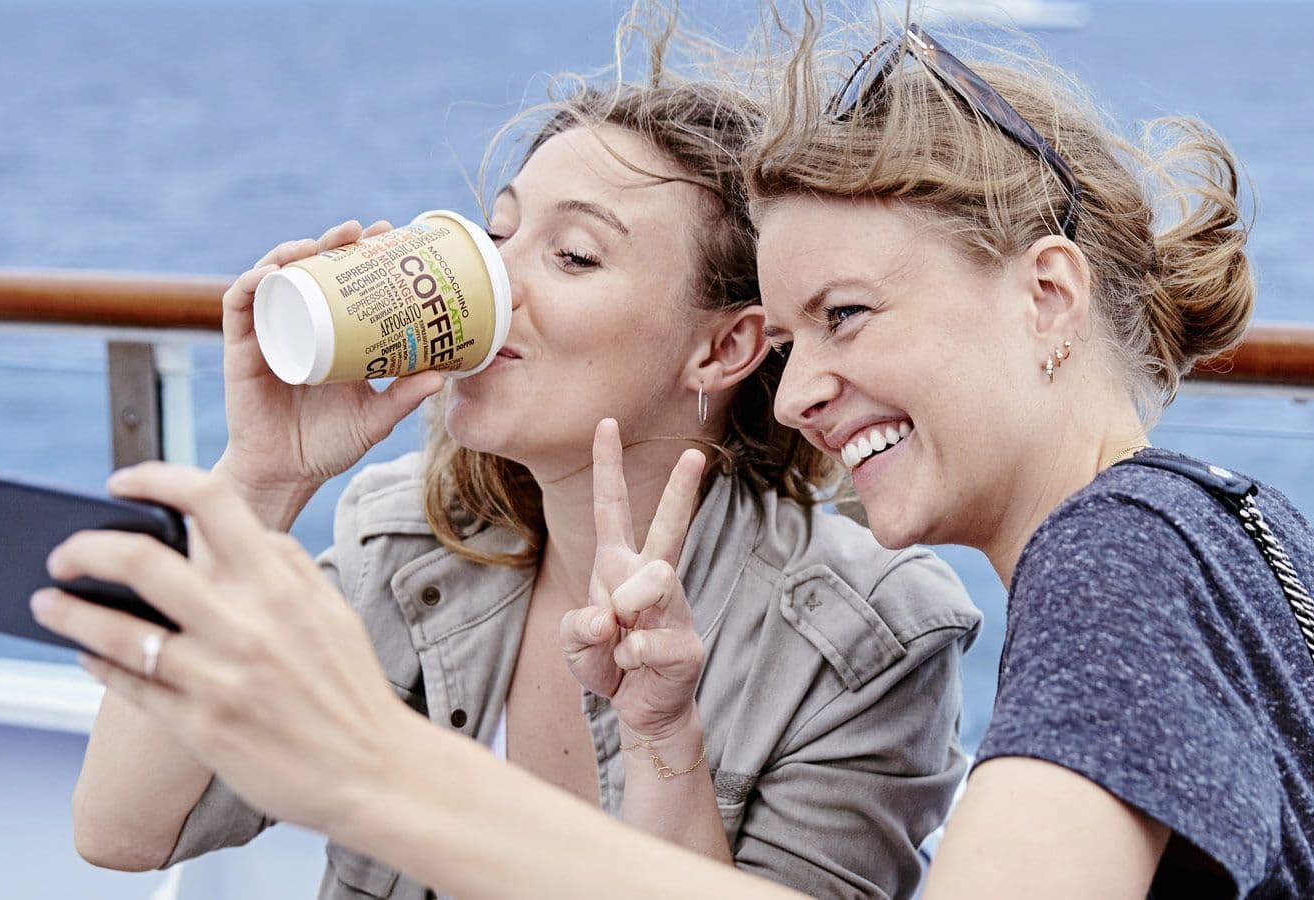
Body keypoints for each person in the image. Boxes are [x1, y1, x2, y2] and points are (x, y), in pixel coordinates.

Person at [32, 10, 1314, 899]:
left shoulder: (1116, 557)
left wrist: (368, 769)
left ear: (1047, 298)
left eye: (845, 316)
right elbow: (123, 831)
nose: (804, 390)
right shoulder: (1221, 526)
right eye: (796, 335)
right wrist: (262, 484)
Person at [54, 58, 979, 900]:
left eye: (573, 255)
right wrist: (262, 481)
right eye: (498, 235)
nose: (497, 280)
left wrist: (665, 742)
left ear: (723, 346)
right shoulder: (413, 540)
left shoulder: (865, 644)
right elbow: (125, 830)